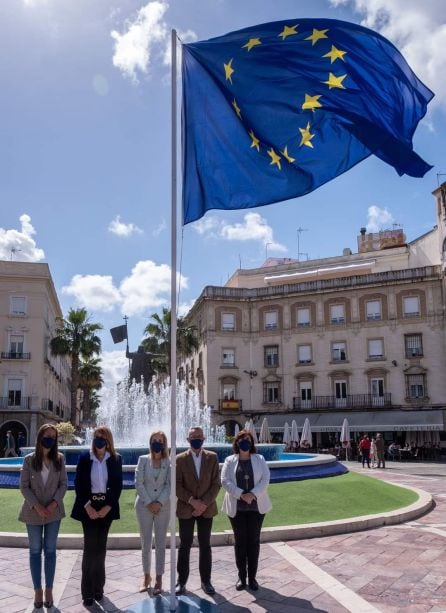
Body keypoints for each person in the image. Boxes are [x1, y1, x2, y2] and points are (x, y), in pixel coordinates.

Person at [71, 426, 123, 607]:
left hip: (106, 508)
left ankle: (99, 588)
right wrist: (88, 507)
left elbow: (117, 485)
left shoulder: (116, 459)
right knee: (90, 549)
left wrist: (108, 506)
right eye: (95, 437)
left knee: (101, 550)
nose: (98, 441)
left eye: (101, 438)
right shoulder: (85, 458)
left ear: (108, 440)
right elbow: (78, 484)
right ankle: (87, 592)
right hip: (88, 507)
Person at [18, 424, 67, 610]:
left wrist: (54, 503)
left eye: (53, 437)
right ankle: (37, 589)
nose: (50, 439)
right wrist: (38, 506)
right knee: (35, 551)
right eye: (47, 436)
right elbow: (24, 487)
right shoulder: (29, 460)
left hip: (54, 512)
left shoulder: (59, 459)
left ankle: (49, 589)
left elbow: (64, 484)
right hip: (33, 512)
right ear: (40, 437)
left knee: (51, 552)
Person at [221, 430, 272, 591]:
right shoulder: (230, 460)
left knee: (254, 542)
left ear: (252, 443)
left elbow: (266, 479)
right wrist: (241, 494)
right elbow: (224, 481)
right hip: (237, 507)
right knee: (240, 542)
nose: (245, 443)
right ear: (237, 443)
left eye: (248, 440)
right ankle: (241, 577)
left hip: (256, 507)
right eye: (242, 440)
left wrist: (253, 494)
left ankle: (253, 578)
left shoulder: (259, 459)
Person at [176, 426, 220, 596]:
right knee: (184, 545)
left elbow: (216, 483)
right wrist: (193, 502)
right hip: (186, 508)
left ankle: (206, 581)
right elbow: (177, 485)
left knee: (205, 545)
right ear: (188, 440)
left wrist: (203, 504)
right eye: (193, 437)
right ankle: (181, 582)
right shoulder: (179, 459)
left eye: (199, 436)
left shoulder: (212, 457)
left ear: (204, 438)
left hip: (207, 509)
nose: (197, 439)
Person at [135, 430, 170, 595]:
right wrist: (149, 503)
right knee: (146, 543)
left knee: (161, 543)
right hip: (144, 506)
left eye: (160, 440)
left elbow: (169, 485)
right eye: (154, 440)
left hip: (163, 507)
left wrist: (159, 502)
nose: (157, 443)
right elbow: (138, 483)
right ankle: (146, 576)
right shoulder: (142, 460)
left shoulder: (169, 462)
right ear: (150, 442)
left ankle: (159, 578)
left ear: (164, 444)